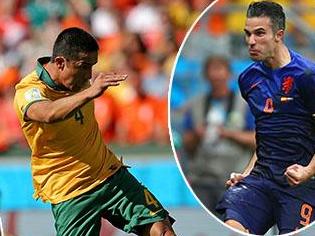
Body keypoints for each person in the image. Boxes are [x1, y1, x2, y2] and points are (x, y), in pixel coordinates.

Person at [14, 27, 175, 236]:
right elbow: (48, 113)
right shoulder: (28, 91)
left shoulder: (79, 79)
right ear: (61, 63)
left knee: (161, 230)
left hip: (109, 175)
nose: (89, 74)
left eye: (93, 66)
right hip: (69, 191)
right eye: (84, 66)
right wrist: (90, 92)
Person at [216, 1, 315, 235]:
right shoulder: (248, 79)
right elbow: (267, 136)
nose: (251, 41)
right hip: (262, 179)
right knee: (232, 227)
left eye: (260, 34)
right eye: (248, 34)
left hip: (301, 185)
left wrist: (308, 171)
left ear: (279, 35)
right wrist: (248, 172)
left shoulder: (306, 76)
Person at [181, 56, 255, 212]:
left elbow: (258, 139)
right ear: (206, 75)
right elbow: (185, 143)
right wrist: (197, 134)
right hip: (202, 180)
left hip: (235, 179)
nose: (216, 75)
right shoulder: (196, 104)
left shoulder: (245, 104)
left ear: (229, 74)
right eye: (212, 70)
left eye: (220, 70)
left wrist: (229, 134)